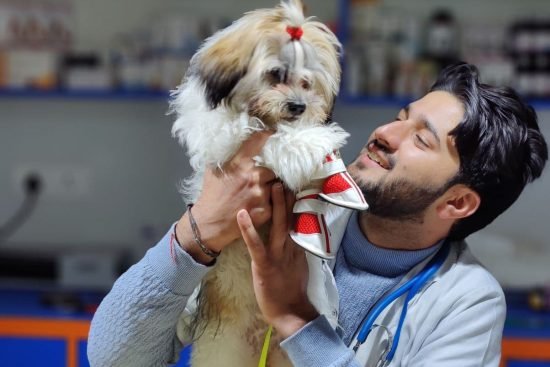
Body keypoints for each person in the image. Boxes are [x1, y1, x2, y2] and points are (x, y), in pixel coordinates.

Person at [88, 62, 548, 366]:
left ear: (457, 203)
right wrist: (198, 232)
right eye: (401, 116)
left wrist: (296, 319)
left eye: (421, 139)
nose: (386, 132)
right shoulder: (284, 211)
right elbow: (113, 357)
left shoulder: (466, 303)